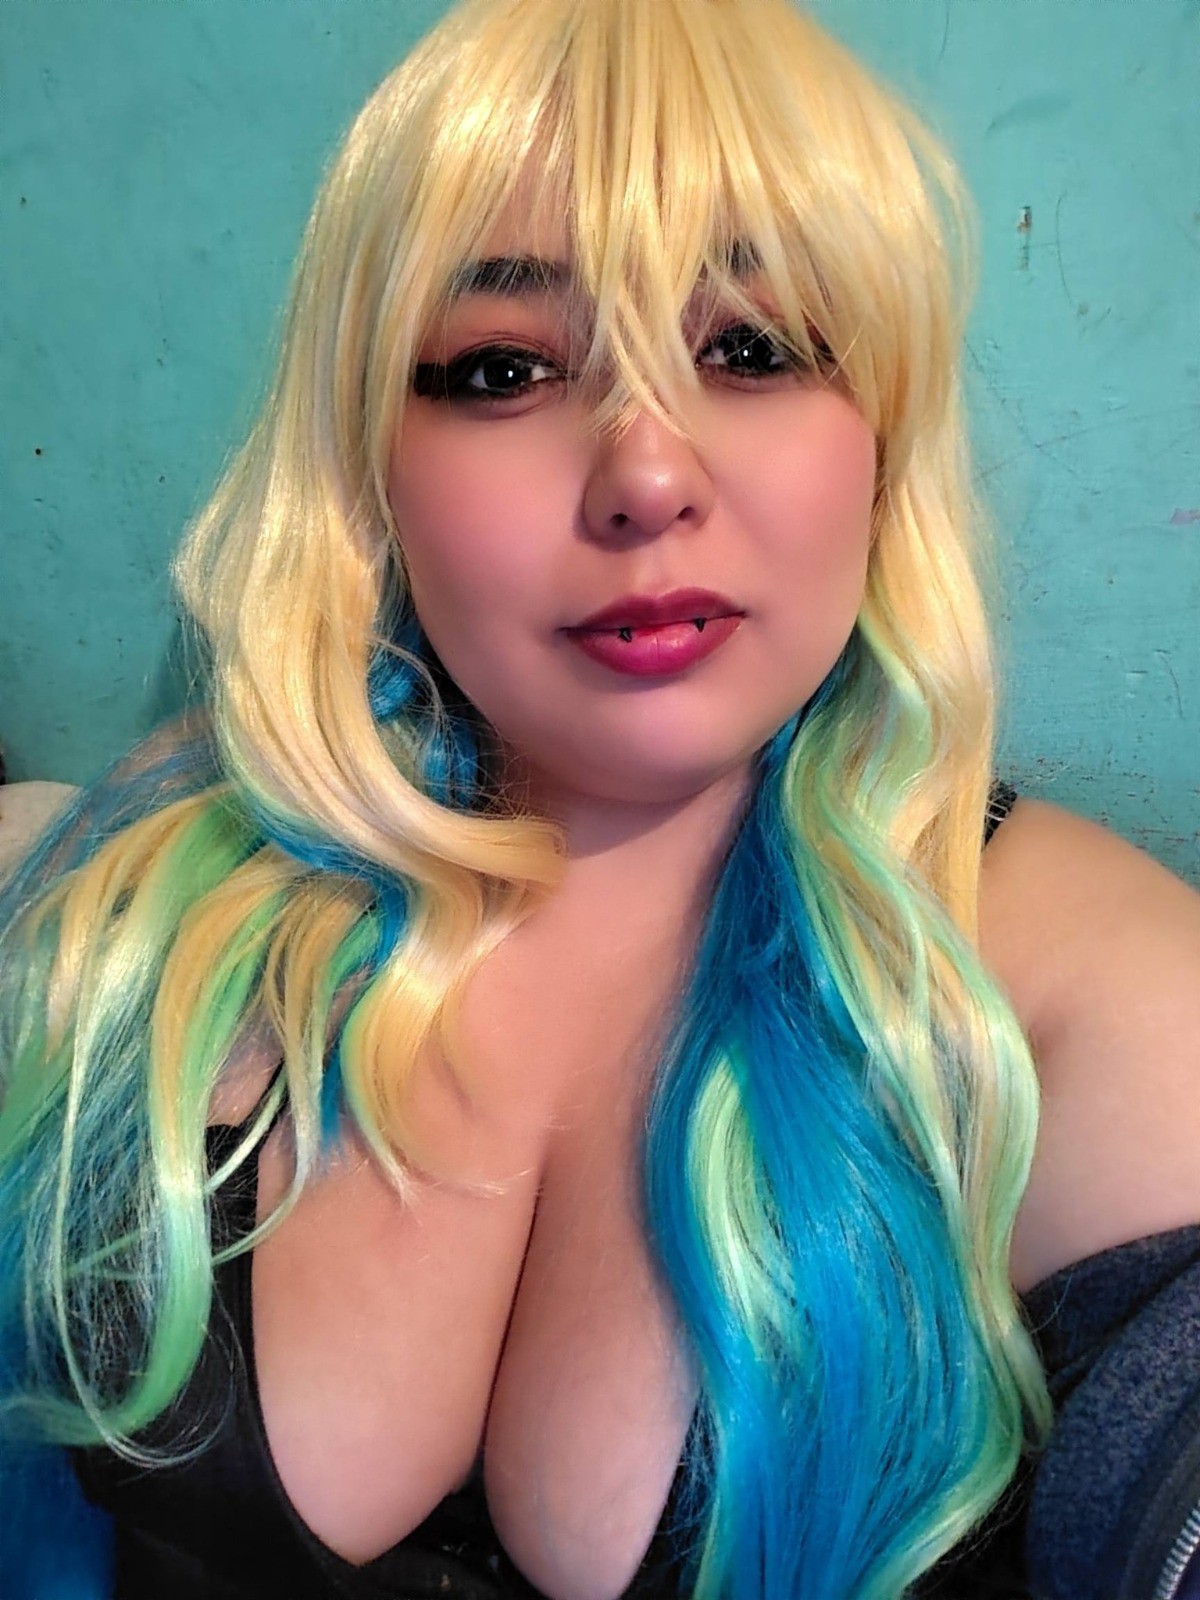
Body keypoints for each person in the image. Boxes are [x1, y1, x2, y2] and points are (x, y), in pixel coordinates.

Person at [2, 0, 1198, 1596]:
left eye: (752, 349)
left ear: (882, 437)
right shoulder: (172, 868)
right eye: (504, 367)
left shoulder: (1080, 989)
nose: (646, 476)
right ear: (371, 463)